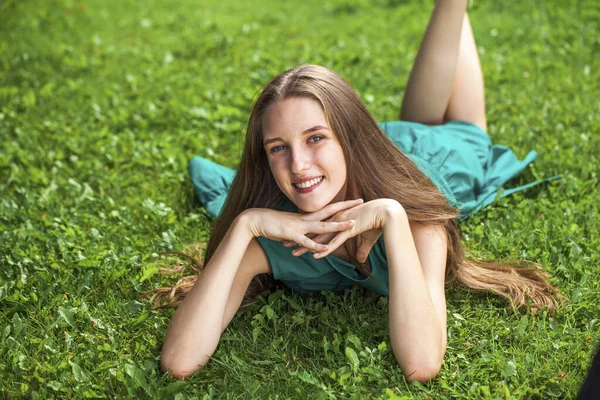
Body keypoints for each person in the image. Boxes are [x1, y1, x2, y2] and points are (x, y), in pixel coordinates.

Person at [156, 0, 562, 382]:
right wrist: (246, 223)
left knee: (465, 129)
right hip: (371, 162)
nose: (297, 166)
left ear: (349, 139)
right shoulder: (269, 236)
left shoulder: (420, 225)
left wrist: (393, 216)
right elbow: (179, 360)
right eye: (278, 147)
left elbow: (422, 363)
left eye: (315, 138)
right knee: (420, 115)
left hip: (430, 165)